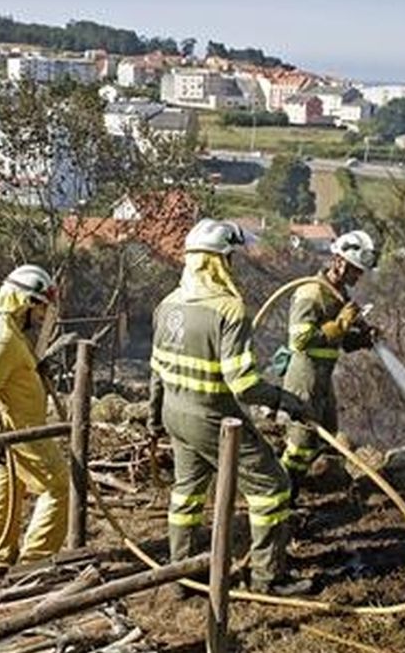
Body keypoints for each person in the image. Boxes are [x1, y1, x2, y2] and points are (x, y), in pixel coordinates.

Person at [149, 219, 314, 598]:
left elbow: (155, 372)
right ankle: (267, 577)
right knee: (272, 486)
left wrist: (153, 418)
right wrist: (285, 401)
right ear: (220, 263)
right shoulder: (229, 309)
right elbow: (243, 384)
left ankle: (179, 579)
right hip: (213, 416)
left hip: (174, 413)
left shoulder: (167, 304)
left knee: (186, 494)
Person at [0, 264, 69, 578]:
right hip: (21, 431)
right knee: (59, 487)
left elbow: (12, 370)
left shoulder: (5, 328)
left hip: (9, 429)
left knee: (6, 490)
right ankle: (34, 565)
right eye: (39, 308)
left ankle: (0, 561)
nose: (40, 316)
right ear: (24, 302)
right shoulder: (2, 336)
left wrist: (35, 368)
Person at [279, 230, 380, 483]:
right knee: (300, 444)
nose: (358, 275)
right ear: (338, 261)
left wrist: (363, 339)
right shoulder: (311, 293)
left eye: (360, 271)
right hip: (304, 378)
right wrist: (340, 325)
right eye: (355, 269)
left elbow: (340, 342)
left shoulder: (339, 295)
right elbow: (300, 340)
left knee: (326, 437)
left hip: (323, 378)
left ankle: (299, 487)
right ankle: (280, 495)